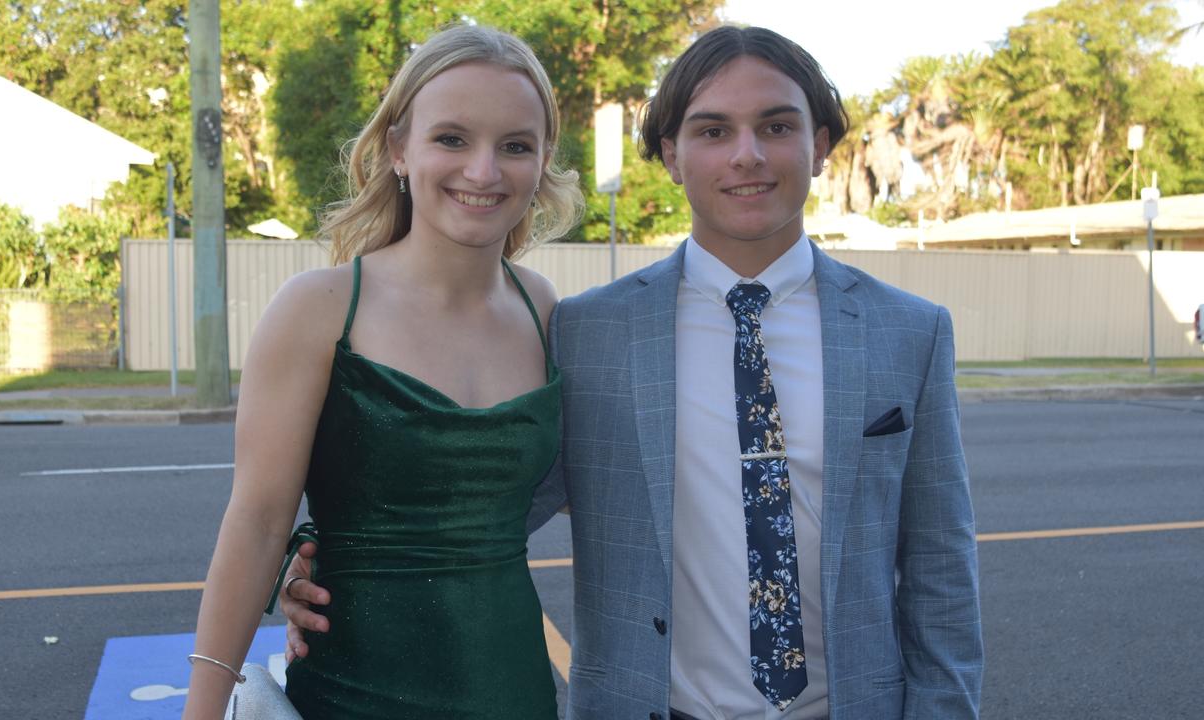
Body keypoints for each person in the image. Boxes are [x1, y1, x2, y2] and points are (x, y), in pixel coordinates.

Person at [283, 25, 983, 720]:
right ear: (670, 156)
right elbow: (484, 500)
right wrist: (324, 559)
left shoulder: (909, 332)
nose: (746, 155)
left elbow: (940, 574)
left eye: (774, 126)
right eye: (712, 131)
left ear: (819, 145)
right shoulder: (589, 331)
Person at [181, 24, 582, 720]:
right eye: (451, 138)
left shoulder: (544, 309)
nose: (483, 171)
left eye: (514, 146)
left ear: (542, 160)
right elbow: (255, 522)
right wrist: (203, 709)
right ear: (399, 148)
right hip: (353, 695)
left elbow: (579, 492)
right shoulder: (319, 309)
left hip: (515, 690)